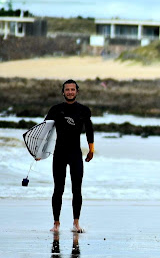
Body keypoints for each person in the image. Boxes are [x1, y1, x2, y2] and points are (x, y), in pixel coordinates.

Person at [44, 79, 94, 233]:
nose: (70, 92)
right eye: (67, 89)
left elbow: (89, 130)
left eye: (73, 89)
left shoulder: (83, 110)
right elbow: (45, 132)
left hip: (75, 154)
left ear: (77, 92)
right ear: (63, 92)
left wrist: (91, 150)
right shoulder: (55, 110)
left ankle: (76, 223)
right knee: (58, 189)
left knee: (77, 189)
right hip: (59, 153)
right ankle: (56, 223)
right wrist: (39, 153)